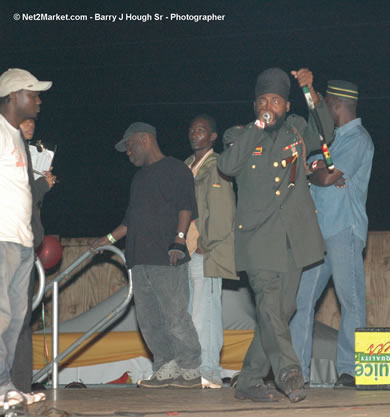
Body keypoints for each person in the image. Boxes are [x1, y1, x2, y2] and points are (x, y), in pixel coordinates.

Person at [217, 67, 333, 403]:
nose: (270, 106)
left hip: (294, 237)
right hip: (257, 238)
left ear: (286, 105)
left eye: (277, 101)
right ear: (255, 105)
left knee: (281, 311)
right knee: (268, 302)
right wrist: (259, 127)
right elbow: (227, 166)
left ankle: (249, 379)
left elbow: (326, 132)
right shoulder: (238, 134)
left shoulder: (297, 130)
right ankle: (288, 372)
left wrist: (311, 90)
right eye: (264, 101)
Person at [90, 122, 202, 388]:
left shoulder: (176, 169)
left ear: (144, 140)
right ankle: (166, 367)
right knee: (149, 320)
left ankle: (190, 369)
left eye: (129, 146)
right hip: (139, 258)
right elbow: (130, 221)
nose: (128, 153)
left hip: (168, 255)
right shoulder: (139, 178)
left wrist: (180, 240)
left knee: (175, 316)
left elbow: (186, 207)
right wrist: (104, 240)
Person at [289, 80, 374, 388]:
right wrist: (321, 173)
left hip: (343, 228)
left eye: (326, 103)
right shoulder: (333, 140)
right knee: (301, 303)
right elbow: (324, 174)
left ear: (336, 104)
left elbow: (326, 177)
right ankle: (297, 371)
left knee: (350, 299)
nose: (323, 108)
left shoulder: (358, 139)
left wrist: (317, 173)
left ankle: (349, 369)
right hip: (318, 231)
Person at [0, 68, 51, 406]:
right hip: (1, 238)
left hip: (21, 241)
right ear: (14, 95)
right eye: (33, 94)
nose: (38, 100)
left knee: (16, 320)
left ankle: (7, 386)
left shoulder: (17, 136)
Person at [184, 114, 237, 389]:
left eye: (202, 130)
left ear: (213, 136)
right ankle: (194, 369)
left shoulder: (218, 164)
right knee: (191, 313)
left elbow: (223, 208)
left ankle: (209, 371)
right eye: (192, 130)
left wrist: (209, 242)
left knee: (206, 312)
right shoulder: (186, 166)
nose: (196, 134)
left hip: (205, 249)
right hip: (185, 248)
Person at [10, 118, 56, 393]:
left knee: (21, 320)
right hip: (11, 242)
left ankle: (20, 385)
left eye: (33, 121)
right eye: (24, 118)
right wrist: (43, 186)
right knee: (12, 319)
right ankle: (13, 385)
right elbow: (17, 195)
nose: (31, 123)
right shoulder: (9, 149)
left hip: (25, 240)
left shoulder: (25, 150)